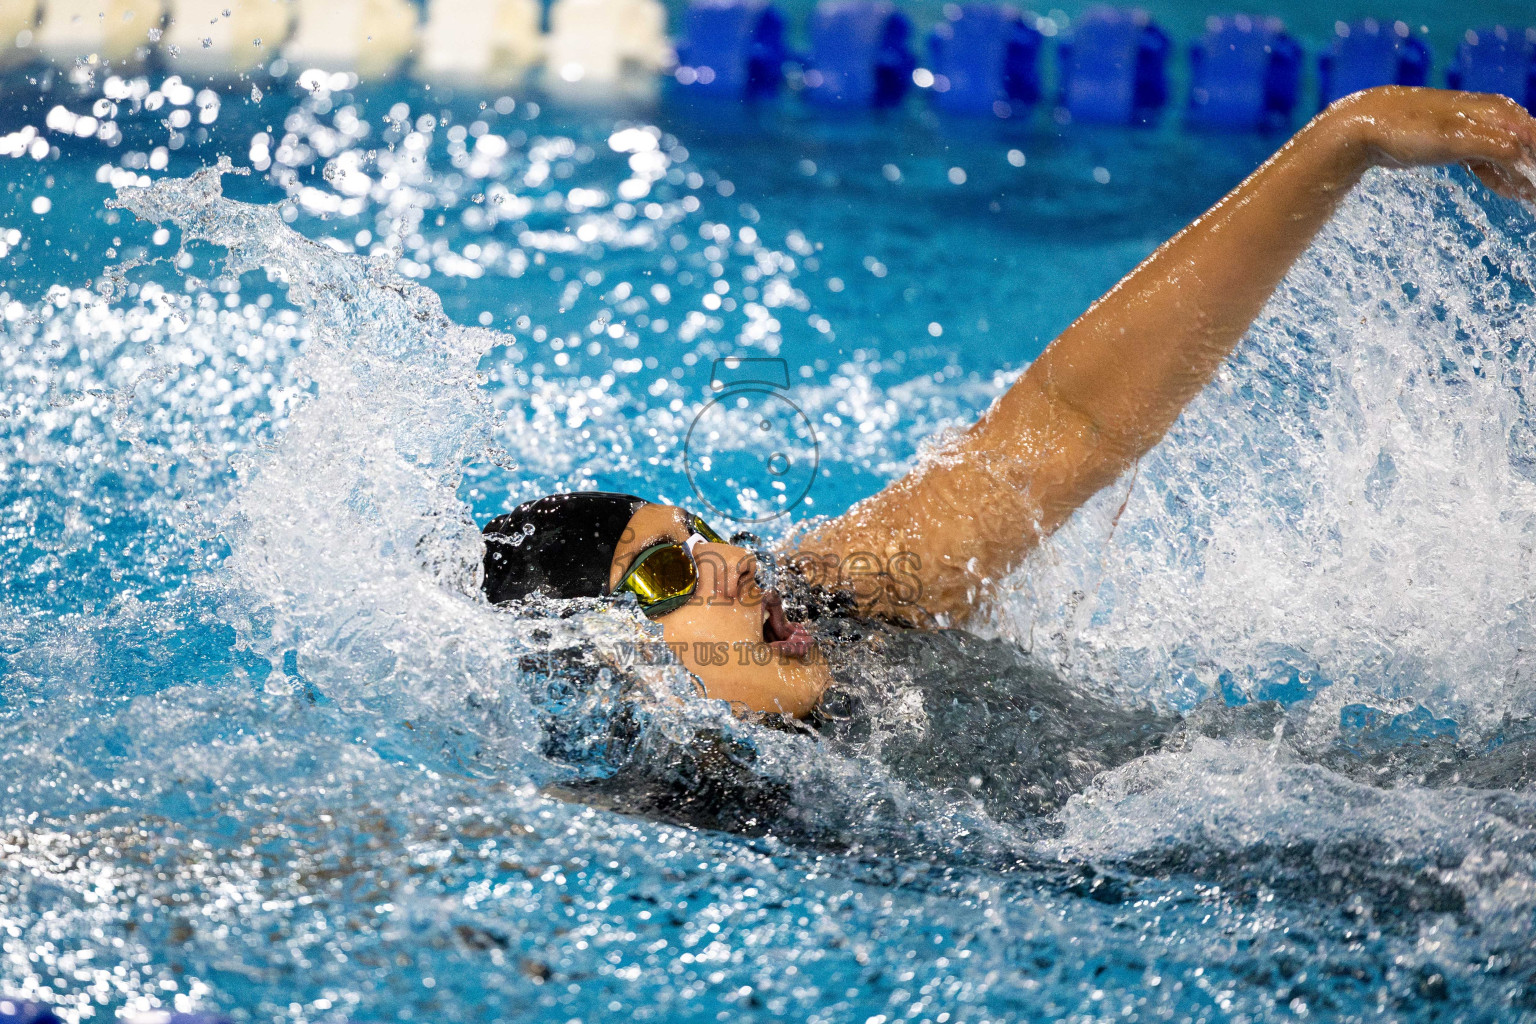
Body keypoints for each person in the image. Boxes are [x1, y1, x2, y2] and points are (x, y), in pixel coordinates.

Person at [483, 86, 1536, 725]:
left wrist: (1340, 141)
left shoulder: (848, 598)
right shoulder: (642, 818)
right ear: (608, 665)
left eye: (704, 534)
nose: (737, 560)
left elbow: (1069, 423)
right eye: (670, 571)